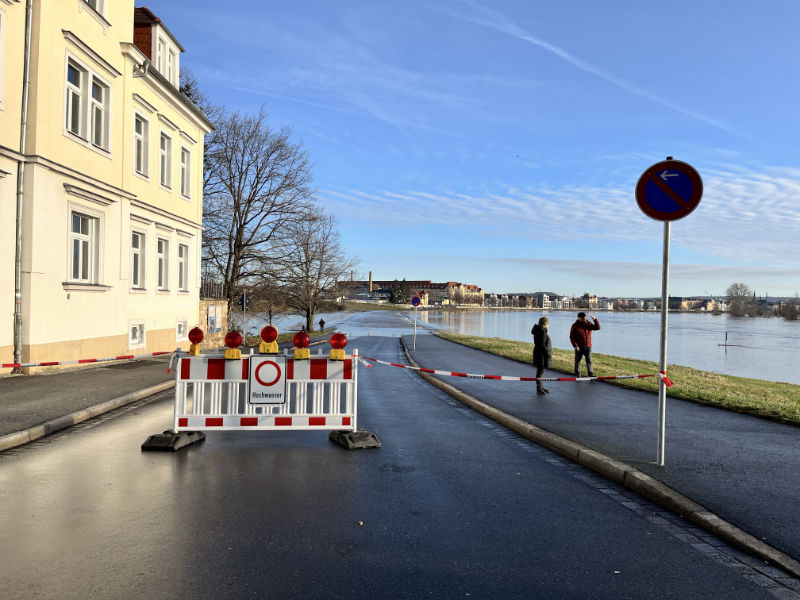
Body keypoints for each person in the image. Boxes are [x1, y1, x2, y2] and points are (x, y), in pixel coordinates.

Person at [570, 312, 601, 377]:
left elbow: (597, 327)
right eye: (583, 318)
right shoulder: (575, 326)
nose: (584, 319)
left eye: (585, 318)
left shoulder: (588, 324)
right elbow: (572, 337)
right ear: (578, 318)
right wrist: (575, 346)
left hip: (588, 346)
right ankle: (577, 374)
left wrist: (595, 319)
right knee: (577, 361)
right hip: (579, 347)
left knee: (589, 360)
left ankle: (590, 374)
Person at [531, 316, 552, 395]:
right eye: (548, 324)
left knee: (540, 372)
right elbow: (542, 345)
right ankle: (539, 388)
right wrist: (547, 354)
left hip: (538, 352)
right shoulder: (542, 331)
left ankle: (541, 387)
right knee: (540, 372)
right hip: (541, 354)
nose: (548, 325)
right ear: (545, 324)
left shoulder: (538, 330)